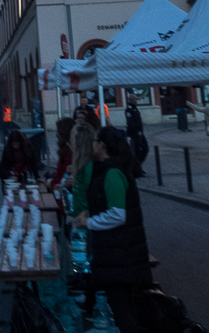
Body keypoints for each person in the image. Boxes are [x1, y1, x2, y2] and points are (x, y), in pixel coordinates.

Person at [74, 126, 152, 333]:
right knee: (125, 311)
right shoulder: (111, 169)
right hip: (119, 253)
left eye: (95, 141)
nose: (92, 144)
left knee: (123, 315)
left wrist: (88, 222)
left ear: (102, 145)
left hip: (119, 255)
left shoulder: (112, 173)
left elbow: (118, 215)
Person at [48, 117, 76, 190]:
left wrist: (50, 183)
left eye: (58, 132)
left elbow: (63, 178)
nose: (57, 135)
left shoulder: (69, 153)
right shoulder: (66, 150)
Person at [124, 95, 147, 177]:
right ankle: (137, 169)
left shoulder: (135, 108)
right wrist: (137, 131)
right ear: (131, 100)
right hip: (134, 134)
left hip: (140, 133)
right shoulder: (129, 109)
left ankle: (138, 166)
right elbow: (130, 123)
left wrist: (141, 131)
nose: (136, 100)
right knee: (137, 152)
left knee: (145, 149)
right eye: (135, 99)